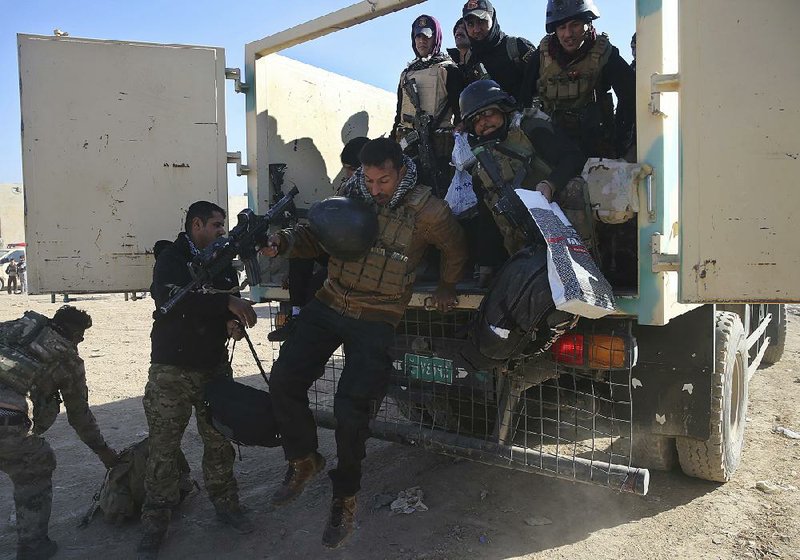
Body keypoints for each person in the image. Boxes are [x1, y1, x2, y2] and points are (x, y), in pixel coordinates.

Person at [261, 138, 468, 548]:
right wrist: (281, 241)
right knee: (284, 379)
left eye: (383, 180)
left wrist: (447, 284)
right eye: (369, 179)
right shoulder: (351, 194)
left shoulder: (428, 210)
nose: (375, 189)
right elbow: (315, 235)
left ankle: (345, 498)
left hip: (378, 314)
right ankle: (304, 459)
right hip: (331, 301)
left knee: (351, 413)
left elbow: (455, 246)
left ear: (400, 170)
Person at [138, 201, 258, 559]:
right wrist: (226, 306)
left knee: (219, 440)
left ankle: (226, 504)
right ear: (196, 225)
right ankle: (155, 521)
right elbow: (172, 299)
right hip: (171, 369)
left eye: (223, 225)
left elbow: (220, 306)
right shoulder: (170, 258)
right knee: (163, 447)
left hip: (212, 366)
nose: (222, 231)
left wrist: (230, 325)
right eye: (217, 225)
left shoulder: (223, 262)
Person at [0, 305, 119, 559]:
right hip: (5, 426)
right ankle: (33, 547)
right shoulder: (67, 359)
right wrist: (103, 451)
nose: (82, 341)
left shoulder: (13, 328)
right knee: (36, 466)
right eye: (81, 336)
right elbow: (79, 415)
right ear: (75, 334)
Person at [459, 80, 587, 259]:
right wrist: (486, 265)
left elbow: (572, 157)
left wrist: (550, 184)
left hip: (559, 217)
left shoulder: (530, 128)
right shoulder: (481, 163)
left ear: (503, 109)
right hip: (525, 244)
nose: (483, 122)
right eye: (476, 120)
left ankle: (583, 258)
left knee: (574, 187)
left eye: (488, 113)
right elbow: (486, 219)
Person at [268, 136, 371, 342]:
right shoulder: (348, 187)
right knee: (299, 252)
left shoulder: (375, 191)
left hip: (359, 262)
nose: (347, 174)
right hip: (338, 252)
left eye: (350, 169)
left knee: (318, 284)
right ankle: (296, 316)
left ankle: (305, 327)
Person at [525, 0, 636, 159]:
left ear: (588, 22)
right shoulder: (542, 56)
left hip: (596, 149)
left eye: (575, 24)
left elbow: (631, 99)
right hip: (553, 148)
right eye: (562, 27)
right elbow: (524, 102)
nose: (568, 34)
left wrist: (625, 147)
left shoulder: (605, 54)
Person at [392, 14, 465, 197]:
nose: (421, 41)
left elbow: (461, 114)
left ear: (436, 38)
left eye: (426, 36)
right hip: (407, 143)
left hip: (438, 146)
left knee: (436, 193)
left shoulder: (447, 70)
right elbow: (399, 112)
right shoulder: (406, 73)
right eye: (417, 36)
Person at [461, 0, 536, 107]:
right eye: (470, 24)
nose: (476, 29)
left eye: (482, 21)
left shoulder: (517, 47)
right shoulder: (470, 58)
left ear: (493, 19)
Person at [448, 18, 483, 85]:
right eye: (457, 28)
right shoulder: (448, 64)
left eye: (464, 28)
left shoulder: (483, 60)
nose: (459, 31)